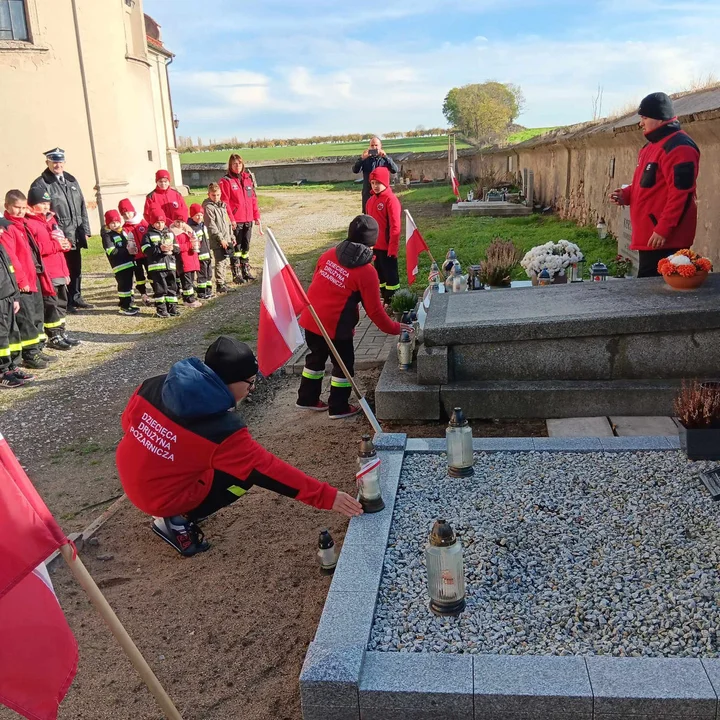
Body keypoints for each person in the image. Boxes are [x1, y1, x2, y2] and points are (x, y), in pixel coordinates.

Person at [116, 336, 362, 556]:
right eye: (250, 383)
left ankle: (170, 505)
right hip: (158, 497)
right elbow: (268, 470)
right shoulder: (220, 430)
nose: (251, 389)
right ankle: (176, 522)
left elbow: (127, 423)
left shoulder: (154, 384)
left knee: (205, 462)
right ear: (228, 382)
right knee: (242, 478)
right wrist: (327, 497)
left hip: (131, 474)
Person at [296, 215, 411, 419]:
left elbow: (318, 283)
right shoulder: (366, 272)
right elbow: (375, 312)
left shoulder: (328, 254)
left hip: (311, 318)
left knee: (315, 358)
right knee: (343, 366)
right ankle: (338, 407)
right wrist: (395, 327)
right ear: (372, 243)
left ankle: (307, 398)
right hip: (336, 326)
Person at [609, 92, 700, 278]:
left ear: (659, 118)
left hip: (665, 239)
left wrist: (663, 229)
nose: (641, 123)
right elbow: (648, 185)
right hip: (651, 236)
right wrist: (626, 194)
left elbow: (682, 194)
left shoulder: (679, 147)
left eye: (644, 117)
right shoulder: (651, 145)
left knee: (655, 298)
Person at [29, 148, 93, 313]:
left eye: (60, 161)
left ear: (64, 162)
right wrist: (53, 233)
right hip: (59, 233)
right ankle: (66, 302)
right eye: (54, 161)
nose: (57, 164)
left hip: (76, 231)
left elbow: (81, 206)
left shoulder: (71, 180)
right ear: (48, 163)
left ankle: (76, 297)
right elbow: (42, 210)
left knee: (76, 267)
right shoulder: (42, 183)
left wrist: (85, 229)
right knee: (62, 269)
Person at [2, 190, 57, 369]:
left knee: (35, 314)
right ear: (7, 207)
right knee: (25, 319)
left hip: (33, 277)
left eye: (23, 207)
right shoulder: (8, 227)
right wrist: (21, 280)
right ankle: (30, 354)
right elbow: (12, 257)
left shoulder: (22, 224)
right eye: (16, 208)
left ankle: (37, 348)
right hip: (22, 281)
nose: (20, 211)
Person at [25, 187, 78, 349]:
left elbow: (60, 243)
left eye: (47, 203)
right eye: (42, 203)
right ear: (32, 205)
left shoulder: (51, 220)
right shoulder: (29, 223)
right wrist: (55, 245)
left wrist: (65, 244)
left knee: (62, 303)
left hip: (59, 269)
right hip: (47, 272)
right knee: (52, 305)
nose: (46, 206)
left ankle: (61, 332)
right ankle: (53, 335)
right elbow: (34, 249)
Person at [219, 154, 260, 284]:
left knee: (246, 247)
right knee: (236, 248)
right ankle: (236, 273)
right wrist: (231, 219)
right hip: (236, 220)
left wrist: (256, 216)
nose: (237, 166)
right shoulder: (226, 181)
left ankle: (246, 271)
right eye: (234, 164)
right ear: (230, 166)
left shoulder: (248, 179)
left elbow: (253, 199)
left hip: (248, 219)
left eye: (239, 164)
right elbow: (225, 203)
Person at [365, 166, 402, 304]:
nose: (375, 186)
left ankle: (395, 302)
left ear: (385, 182)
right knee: (380, 277)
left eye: (378, 183)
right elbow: (368, 226)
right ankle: (386, 301)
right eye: (373, 183)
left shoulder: (390, 200)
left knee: (391, 278)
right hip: (375, 247)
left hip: (387, 248)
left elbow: (395, 227)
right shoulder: (370, 201)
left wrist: (393, 248)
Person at [0, 218, 27, 388]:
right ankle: (2, 371)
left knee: (11, 333)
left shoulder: (1, 248)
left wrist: (16, 296)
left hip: (9, 297)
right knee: (1, 337)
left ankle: (12, 365)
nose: (2, 231)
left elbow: (10, 270)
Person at [141, 211, 180, 318]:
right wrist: (159, 248)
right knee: (160, 290)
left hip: (170, 266)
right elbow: (145, 249)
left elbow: (177, 248)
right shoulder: (148, 235)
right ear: (152, 223)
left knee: (172, 288)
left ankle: (172, 308)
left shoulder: (170, 233)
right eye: (157, 222)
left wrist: (173, 248)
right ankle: (161, 310)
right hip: (157, 267)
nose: (160, 225)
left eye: (162, 222)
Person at [101, 210, 140, 316]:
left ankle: (130, 303)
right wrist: (126, 250)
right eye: (112, 223)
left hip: (129, 263)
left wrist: (133, 250)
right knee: (124, 286)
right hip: (119, 265)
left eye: (117, 222)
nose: (115, 225)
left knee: (129, 285)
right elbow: (111, 251)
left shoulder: (122, 232)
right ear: (108, 224)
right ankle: (124, 306)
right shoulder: (108, 236)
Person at [203, 182, 235, 294]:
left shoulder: (223, 205)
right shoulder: (208, 207)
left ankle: (224, 281)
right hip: (217, 239)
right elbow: (211, 225)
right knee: (220, 260)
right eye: (213, 195)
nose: (216, 197)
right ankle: (220, 283)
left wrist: (231, 236)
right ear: (208, 194)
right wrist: (220, 238)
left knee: (226, 260)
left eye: (217, 195)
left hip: (227, 237)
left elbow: (227, 222)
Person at [352, 137, 399, 212]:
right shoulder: (365, 159)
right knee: (368, 216)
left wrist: (386, 157)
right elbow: (355, 170)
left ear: (380, 146)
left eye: (376, 145)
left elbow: (395, 170)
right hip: (368, 192)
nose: (374, 147)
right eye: (372, 145)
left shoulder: (385, 159)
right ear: (369, 147)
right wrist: (362, 158)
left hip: (382, 193)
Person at [119, 199, 151, 306]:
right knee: (139, 276)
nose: (127, 215)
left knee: (151, 273)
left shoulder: (142, 223)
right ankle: (143, 294)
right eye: (124, 214)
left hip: (147, 254)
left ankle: (157, 291)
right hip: (135, 257)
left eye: (128, 212)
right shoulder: (124, 228)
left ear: (133, 211)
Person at [170, 218, 202, 308]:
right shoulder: (173, 232)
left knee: (191, 281)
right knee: (186, 281)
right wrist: (189, 245)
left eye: (182, 222)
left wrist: (197, 244)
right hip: (183, 260)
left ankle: (190, 297)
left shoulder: (189, 230)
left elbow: (195, 241)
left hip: (192, 258)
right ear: (174, 221)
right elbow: (176, 247)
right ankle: (188, 299)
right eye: (177, 222)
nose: (180, 224)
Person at [188, 203, 212, 299]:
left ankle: (208, 291)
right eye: (197, 215)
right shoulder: (191, 228)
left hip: (207, 255)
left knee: (209, 274)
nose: (199, 217)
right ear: (192, 216)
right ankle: (202, 293)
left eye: (201, 215)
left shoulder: (203, 226)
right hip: (200, 256)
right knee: (202, 276)